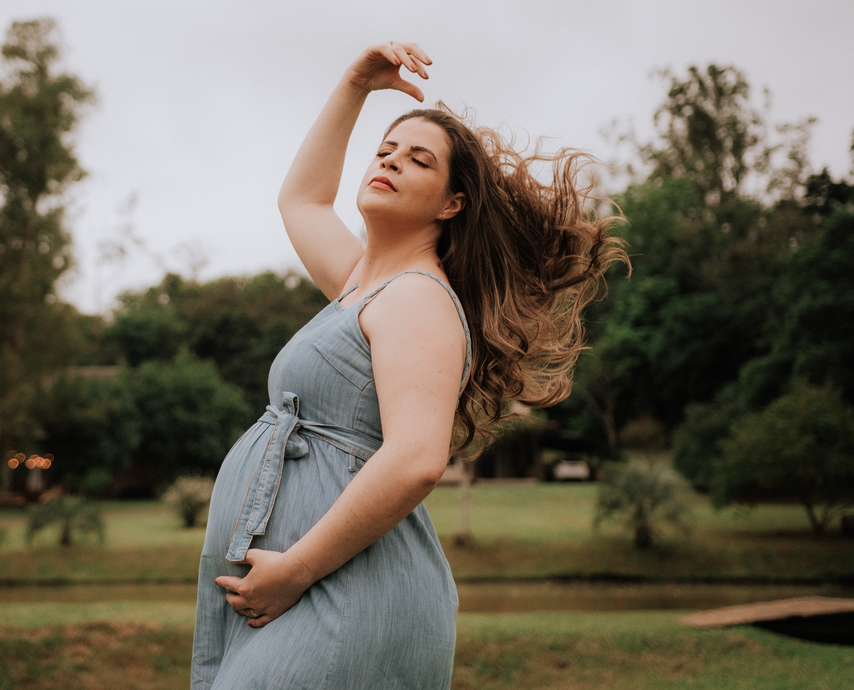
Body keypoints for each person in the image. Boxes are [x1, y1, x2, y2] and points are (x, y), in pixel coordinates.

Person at [190, 42, 627, 689]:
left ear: (452, 203)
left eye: (419, 160)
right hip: (308, 588)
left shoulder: (417, 298)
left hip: (341, 594)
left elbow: (418, 459)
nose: (391, 161)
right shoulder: (362, 284)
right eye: (386, 151)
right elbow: (302, 201)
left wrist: (297, 570)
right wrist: (355, 84)